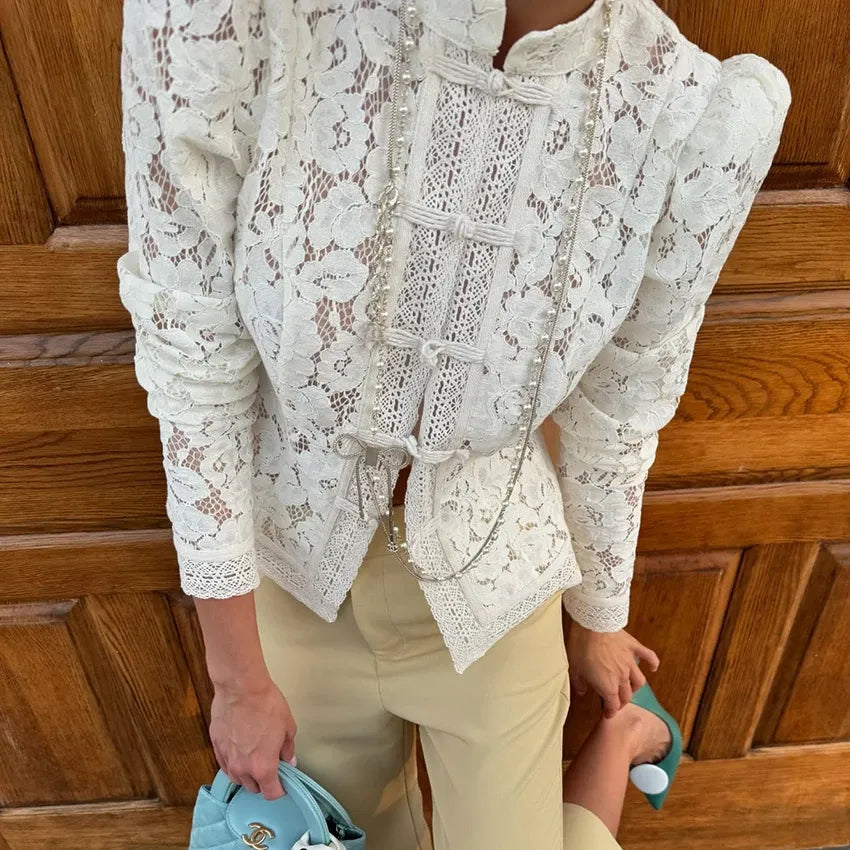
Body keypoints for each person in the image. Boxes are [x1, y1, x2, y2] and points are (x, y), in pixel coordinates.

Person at [116, 0, 791, 846]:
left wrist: (597, 617)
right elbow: (193, 353)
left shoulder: (686, 114)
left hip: (496, 588)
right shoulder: (247, 20)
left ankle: (622, 737)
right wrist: (238, 680)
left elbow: (619, 406)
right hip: (295, 584)